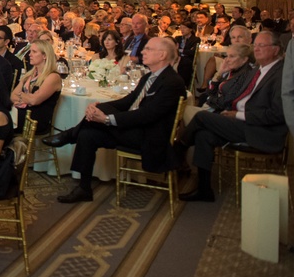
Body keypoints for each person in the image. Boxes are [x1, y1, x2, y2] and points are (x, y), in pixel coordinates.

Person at [44, 37, 186, 203]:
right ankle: (84, 187)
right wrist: (98, 107)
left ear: (162, 55)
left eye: (148, 49)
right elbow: (127, 102)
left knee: (97, 120)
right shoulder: (149, 77)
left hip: (150, 137)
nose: (142, 52)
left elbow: (148, 115)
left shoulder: (172, 82)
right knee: (87, 135)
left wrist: (106, 119)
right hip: (134, 129)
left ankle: (69, 135)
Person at [176, 31, 288, 202]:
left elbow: (277, 114)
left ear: (276, 49)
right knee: (203, 135)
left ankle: (174, 152)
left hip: (262, 130)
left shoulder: (281, 75)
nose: (256, 49)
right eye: (255, 45)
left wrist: (239, 115)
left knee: (202, 117)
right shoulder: (259, 69)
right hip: (240, 120)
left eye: (261, 45)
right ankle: (204, 190)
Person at [11, 39, 62, 134]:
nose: (30, 54)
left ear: (45, 56)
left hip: (35, 120)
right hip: (22, 113)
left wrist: (22, 96)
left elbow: (34, 100)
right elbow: (13, 96)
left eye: (34, 52)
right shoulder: (30, 75)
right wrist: (27, 98)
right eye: (30, 51)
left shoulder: (53, 77)